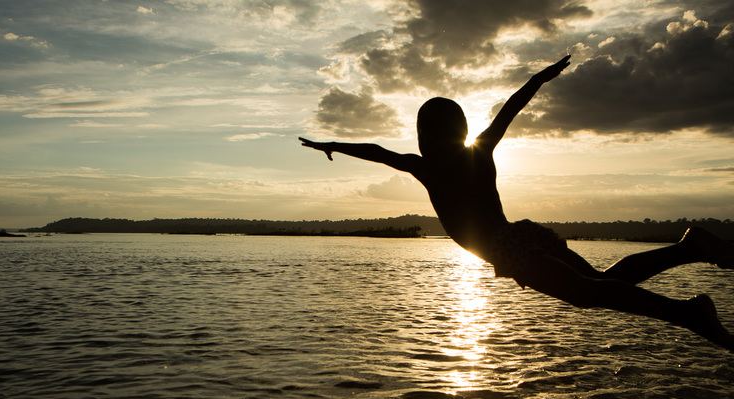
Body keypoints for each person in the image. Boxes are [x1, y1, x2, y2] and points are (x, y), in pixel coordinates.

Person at [300, 55, 734, 351]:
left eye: (430, 134)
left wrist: (331, 144)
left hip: (508, 245)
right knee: (603, 281)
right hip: (524, 235)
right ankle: (690, 248)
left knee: (586, 293)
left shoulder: (431, 165)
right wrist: (331, 144)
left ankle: (689, 313)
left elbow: (382, 150)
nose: (426, 141)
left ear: (435, 135)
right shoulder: (468, 152)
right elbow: (382, 149)